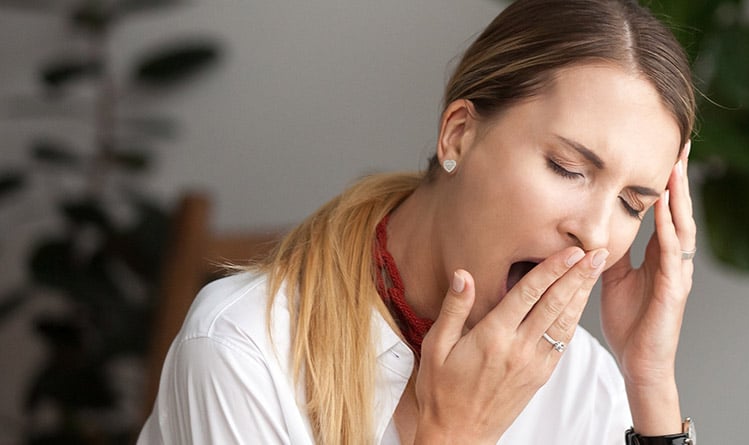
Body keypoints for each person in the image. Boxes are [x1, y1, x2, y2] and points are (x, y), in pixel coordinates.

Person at [138, 0, 699, 443]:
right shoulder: (241, 350)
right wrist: (455, 435)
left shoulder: (586, 381)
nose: (597, 233)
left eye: (633, 203)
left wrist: (649, 381)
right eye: (567, 167)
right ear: (459, 133)